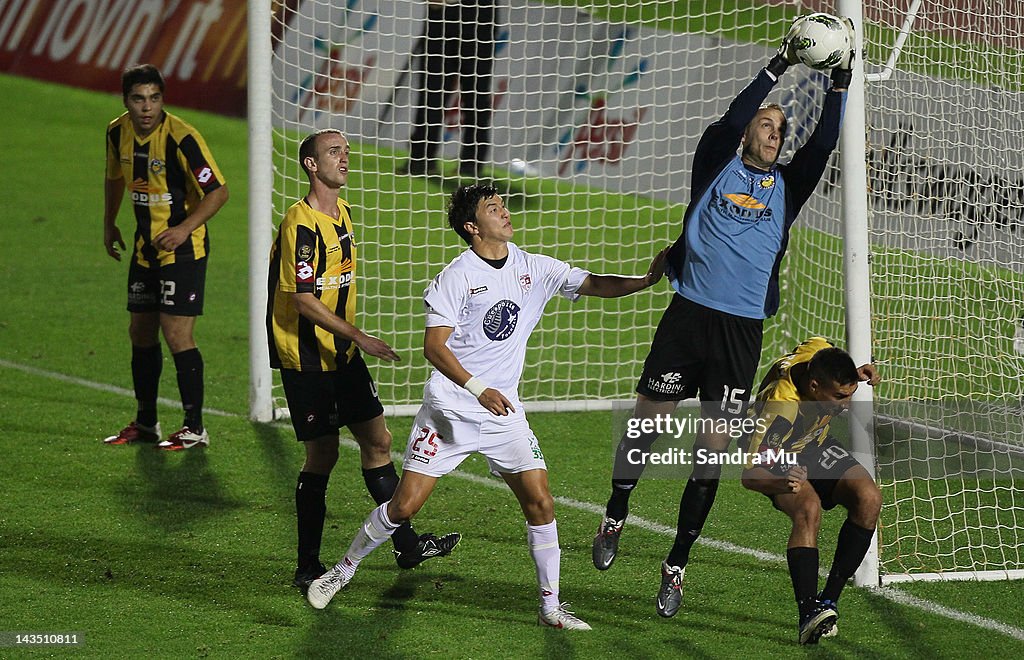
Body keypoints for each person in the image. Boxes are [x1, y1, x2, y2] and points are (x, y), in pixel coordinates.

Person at [305, 183, 669, 629]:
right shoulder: (455, 277)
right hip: (450, 413)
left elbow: (593, 283)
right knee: (403, 507)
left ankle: (550, 608)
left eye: (503, 205)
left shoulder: (533, 267)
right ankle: (341, 571)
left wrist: (646, 280)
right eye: (493, 208)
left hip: (504, 416)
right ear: (473, 227)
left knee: (540, 502)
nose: (504, 212)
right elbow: (434, 348)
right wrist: (478, 388)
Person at [591, 18, 857, 619]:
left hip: (740, 332)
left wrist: (838, 86)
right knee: (647, 424)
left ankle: (676, 564)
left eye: (778, 129)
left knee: (709, 452)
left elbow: (819, 146)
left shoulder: (786, 189)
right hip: (689, 315)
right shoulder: (716, 163)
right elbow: (730, 121)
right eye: (765, 125)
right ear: (746, 135)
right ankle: (615, 513)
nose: (773, 133)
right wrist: (778, 65)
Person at [267, 129, 460, 595]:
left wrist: (354, 342)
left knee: (378, 441)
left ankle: (407, 545)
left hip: (345, 354)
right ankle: (307, 565)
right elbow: (303, 299)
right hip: (308, 358)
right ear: (311, 165)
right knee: (323, 455)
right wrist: (362, 337)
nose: (344, 159)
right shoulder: (303, 223)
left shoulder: (344, 214)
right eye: (334, 152)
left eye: (346, 152)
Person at [102, 63, 229, 451]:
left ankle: (194, 427)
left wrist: (183, 229)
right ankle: (146, 422)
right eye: (139, 99)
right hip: (145, 250)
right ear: (126, 100)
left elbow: (218, 192)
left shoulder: (182, 137)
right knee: (140, 332)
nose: (146, 107)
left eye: (154, 98)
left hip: (184, 251)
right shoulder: (116, 131)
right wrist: (109, 224)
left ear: (162, 100)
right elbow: (114, 178)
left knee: (177, 334)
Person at [740, 337, 881, 645]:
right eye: (839, 397)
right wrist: (782, 482)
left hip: (813, 443)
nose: (845, 405)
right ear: (814, 387)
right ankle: (807, 613)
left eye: (849, 395)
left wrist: (854, 373)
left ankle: (827, 603)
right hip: (777, 452)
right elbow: (750, 475)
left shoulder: (817, 350)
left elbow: (827, 357)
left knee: (869, 498)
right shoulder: (780, 412)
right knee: (809, 508)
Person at [397, 0, 497, 178]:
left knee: (475, 92)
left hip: (478, 14)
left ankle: (471, 163)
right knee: (432, 89)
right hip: (443, 13)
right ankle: (421, 158)